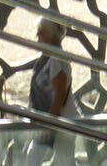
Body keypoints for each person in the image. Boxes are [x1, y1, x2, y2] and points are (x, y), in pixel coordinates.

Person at [25, 17, 75, 165]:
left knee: (35, 159)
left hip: (58, 122)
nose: (37, 36)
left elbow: (59, 95)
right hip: (51, 121)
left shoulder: (55, 58)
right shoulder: (47, 58)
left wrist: (48, 125)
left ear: (51, 35)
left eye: (40, 32)